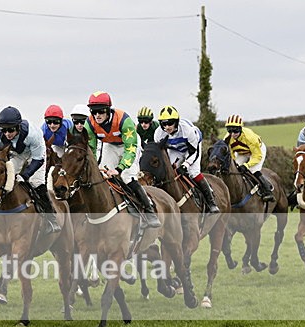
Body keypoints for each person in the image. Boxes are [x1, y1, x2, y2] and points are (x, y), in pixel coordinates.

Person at [87, 91, 160, 228]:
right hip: (110, 145)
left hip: (129, 145)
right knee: (103, 175)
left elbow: (130, 149)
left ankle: (149, 210)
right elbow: (91, 149)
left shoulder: (123, 120)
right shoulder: (89, 123)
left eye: (101, 111)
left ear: (108, 110)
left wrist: (119, 169)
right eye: (93, 111)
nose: (97, 115)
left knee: (127, 177)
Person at [0, 106, 60, 234]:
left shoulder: (32, 134)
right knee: (5, 180)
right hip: (17, 154)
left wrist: (25, 175)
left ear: (18, 126)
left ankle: (51, 218)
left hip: (36, 155)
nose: (7, 134)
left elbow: (38, 160)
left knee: (36, 183)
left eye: (11, 130)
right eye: (4, 130)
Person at [152, 105, 220, 213]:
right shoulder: (158, 134)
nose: (167, 127)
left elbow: (194, 153)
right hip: (175, 149)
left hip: (191, 148)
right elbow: (161, 153)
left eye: (170, 123)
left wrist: (185, 165)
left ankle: (211, 202)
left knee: (193, 172)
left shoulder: (187, 131)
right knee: (171, 172)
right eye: (164, 124)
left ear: (176, 122)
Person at [223, 114, 274, 201]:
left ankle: (268, 190)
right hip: (242, 152)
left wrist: (246, 165)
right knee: (235, 169)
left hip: (257, 151)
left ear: (240, 129)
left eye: (235, 131)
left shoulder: (250, 137)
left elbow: (257, 156)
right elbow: (231, 155)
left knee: (253, 170)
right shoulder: (227, 138)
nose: (233, 134)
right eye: (230, 131)